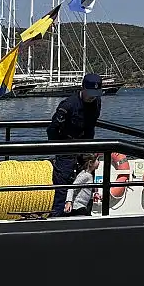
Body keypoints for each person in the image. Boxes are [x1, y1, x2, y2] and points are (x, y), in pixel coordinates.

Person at [47, 73, 104, 217]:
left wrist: (89, 150)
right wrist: (60, 148)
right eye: (90, 93)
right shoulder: (69, 105)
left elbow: (91, 125)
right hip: (66, 147)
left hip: (85, 148)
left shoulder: (97, 102)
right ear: (83, 88)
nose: (92, 97)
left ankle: (84, 215)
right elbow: (53, 130)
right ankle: (57, 220)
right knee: (63, 187)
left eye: (96, 93)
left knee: (86, 186)